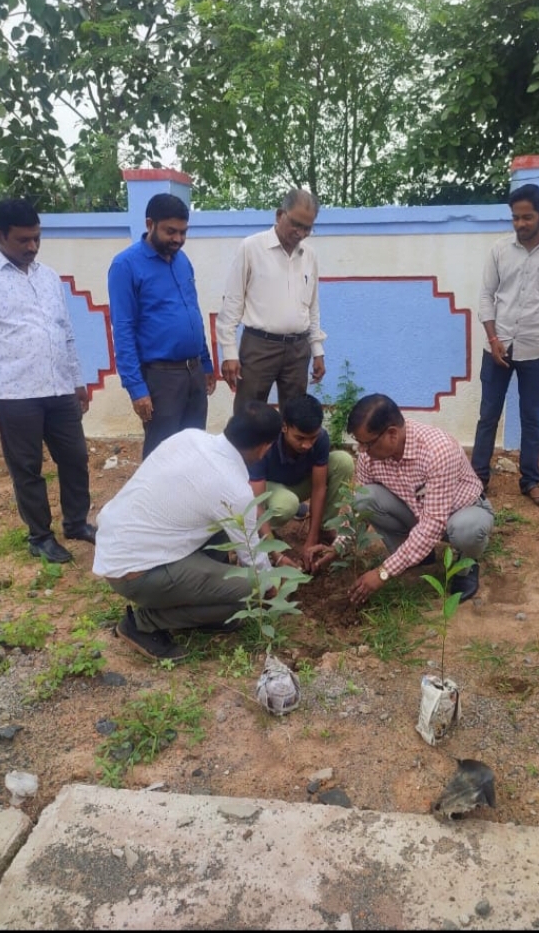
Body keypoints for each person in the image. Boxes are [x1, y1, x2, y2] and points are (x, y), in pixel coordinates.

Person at [92, 402, 283, 662]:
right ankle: (143, 622)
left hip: (115, 545)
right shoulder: (234, 490)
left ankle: (204, 605)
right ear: (265, 448)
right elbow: (252, 557)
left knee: (221, 535)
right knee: (251, 592)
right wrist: (272, 588)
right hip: (136, 574)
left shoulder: (189, 437)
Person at [0, 198, 96, 564]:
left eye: (37, 238)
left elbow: (66, 333)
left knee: (75, 457)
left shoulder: (48, 276)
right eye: (23, 240)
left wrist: (77, 380)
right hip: (14, 394)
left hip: (59, 388)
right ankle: (40, 536)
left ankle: (76, 522)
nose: (32, 247)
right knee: (27, 468)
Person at [312, 394, 495, 605]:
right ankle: (417, 557)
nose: (362, 451)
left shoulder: (438, 450)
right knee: (364, 498)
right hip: (418, 512)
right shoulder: (369, 456)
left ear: (392, 434)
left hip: (461, 511)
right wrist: (337, 548)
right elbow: (358, 512)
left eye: (367, 444)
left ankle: (466, 564)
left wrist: (383, 572)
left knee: (467, 530)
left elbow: (433, 524)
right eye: (359, 443)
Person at [471, 183, 539, 509]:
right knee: (488, 415)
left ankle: (530, 480)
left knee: (532, 417)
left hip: (536, 349)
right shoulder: (499, 250)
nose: (520, 224)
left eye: (527, 217)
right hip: (497, 347)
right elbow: (486, 297)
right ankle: (477, 479)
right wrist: (494, 339)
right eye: (515, 218)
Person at [108, 193, 216, 459]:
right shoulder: (125, 265)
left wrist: (205, 363)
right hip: (161, 377)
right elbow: (123, 330)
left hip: (194, 372)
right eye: (170, 231)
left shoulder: (182, 261)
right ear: (150, 224)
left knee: (194, 448)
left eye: (183, 232)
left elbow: (193, 313)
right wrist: (136, 388)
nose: (178, 239)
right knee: (162, 454)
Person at [217, 189, 326, 413]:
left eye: (307, 228)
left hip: (298, 349)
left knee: (295, 417)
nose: (300, 233)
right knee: (249, 415)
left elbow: (312, 305)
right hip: (259, 347)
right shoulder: (251, 247)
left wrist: (317, 349)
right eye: (295, 224)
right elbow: (232, 302)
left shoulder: (310, 255)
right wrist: (229, 353)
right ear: (279, 215)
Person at [247, 393, 354, 572]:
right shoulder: (265, 441)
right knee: (287, 504)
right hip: (269, 490)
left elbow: (319, 488)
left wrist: (311, 539)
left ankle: (324, 529)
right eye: (300, 438)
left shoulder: (320, 438)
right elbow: (256, 503)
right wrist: (276, 554)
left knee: (343, 461)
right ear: (284, 427)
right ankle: (263, 536)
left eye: (312, 438)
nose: (307, 445)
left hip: (298, 485)